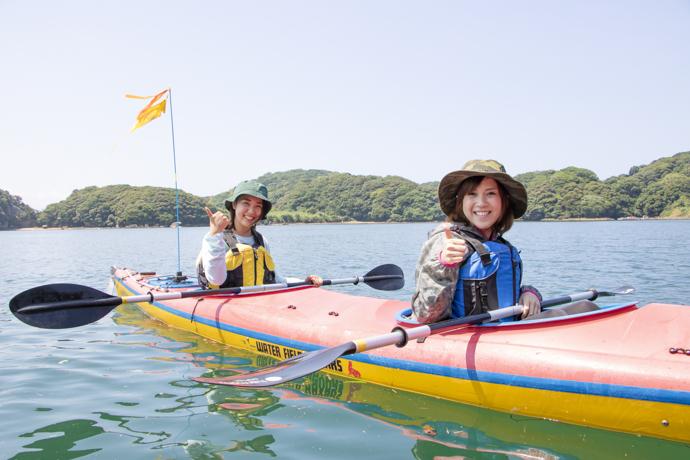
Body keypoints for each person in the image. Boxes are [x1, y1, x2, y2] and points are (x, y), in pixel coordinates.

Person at [412, 159, 543, 323]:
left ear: (504, 200)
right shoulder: (446, 242)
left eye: (491, 194)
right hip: (463, 340)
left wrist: (528, 293)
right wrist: (443, 264)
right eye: (472, 194)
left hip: (504, 335)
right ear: (461, 201)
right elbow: (425, 315)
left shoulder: (500, 244)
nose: (481, 203)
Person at [196, 180, 322, 289]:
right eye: (246, 203)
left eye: (258, 206)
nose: (251, 211)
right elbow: (215, 279)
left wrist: (303, 282)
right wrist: (215, 233)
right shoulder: (217, 238)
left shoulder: (261, 240)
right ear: (234, 204)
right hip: (224, 307)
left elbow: (276, 279)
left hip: (254, 305)